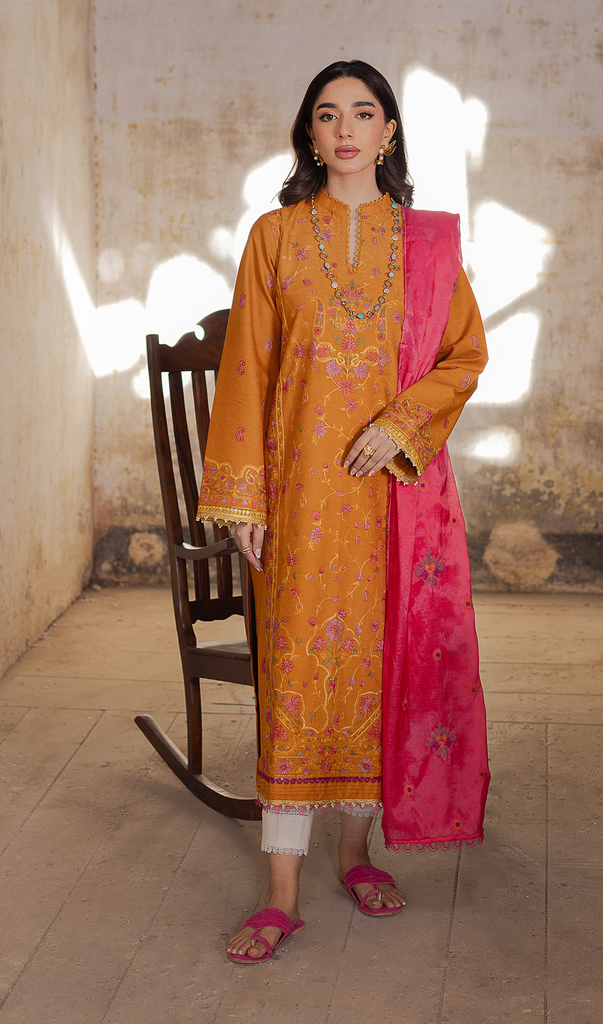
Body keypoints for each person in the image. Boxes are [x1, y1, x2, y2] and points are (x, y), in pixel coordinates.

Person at [197, 59, 490, 964]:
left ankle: (356, 854)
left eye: (363, 113)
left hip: (392, 494)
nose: (346, 129)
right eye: (327, 115)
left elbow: (463, 355)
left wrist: (401, 423)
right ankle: (280, 892)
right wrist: (241, 495)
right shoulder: (276, 237)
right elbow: (244, 368)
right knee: (296, 671)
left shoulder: (427, 243)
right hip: (298, 493)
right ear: (310, 135)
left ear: (388, 131)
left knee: (377, 669)